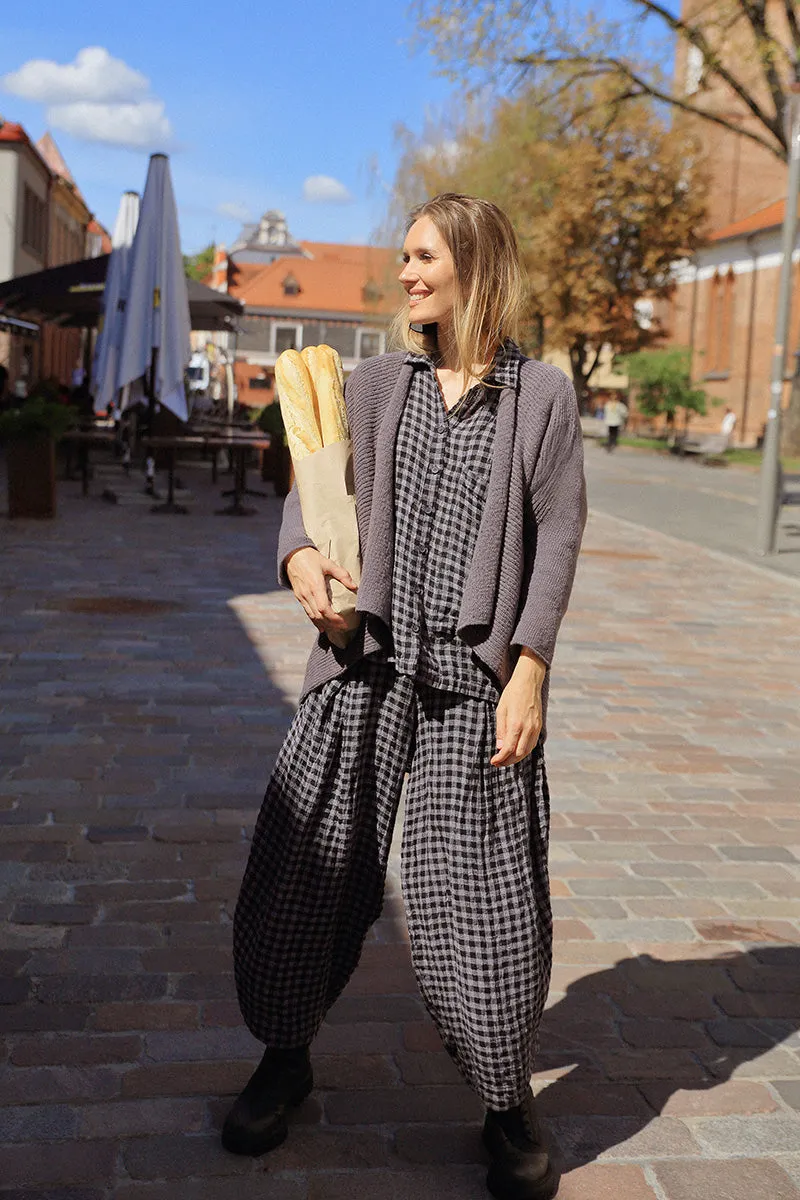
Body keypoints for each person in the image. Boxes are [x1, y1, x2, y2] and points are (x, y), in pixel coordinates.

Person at [223, 193, 587, 1200]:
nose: (407, 273)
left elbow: (555, 536)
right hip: (362, 672)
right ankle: (284, 1057)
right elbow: (312, 492)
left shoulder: (540, 397)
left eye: (424, 256)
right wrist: (300, 559)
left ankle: (504, 1101)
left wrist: (531, 670)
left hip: (471, 691)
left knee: (485, 908)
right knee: (305, 876)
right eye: (404, 256)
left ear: (474, 264)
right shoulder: (373, 383)